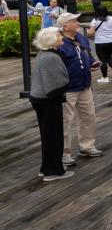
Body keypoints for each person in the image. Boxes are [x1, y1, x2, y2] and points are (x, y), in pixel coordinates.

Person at [57, 12, 101, 159]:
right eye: (74, 21)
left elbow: (87, 52)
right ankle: (64, 153)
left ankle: (87, 146)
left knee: (88, 116)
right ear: (65, 26)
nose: (78, 23)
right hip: (68, 88)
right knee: (65, 121)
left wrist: (92, 62)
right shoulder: (58, 41)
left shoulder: (80, 37)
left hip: (84, 84)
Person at [30, 27, 71, 180]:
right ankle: (53, 171)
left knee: (48, 136)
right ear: (52, 39)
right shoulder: (51, 57)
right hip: (48, 101)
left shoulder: (44, 53)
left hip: (40, 99)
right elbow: (55, 84)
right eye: (59, 35)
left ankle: (46, 167)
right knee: (53, 136)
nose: (62, 38)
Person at [89, 5, 112, 84]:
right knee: (109, 56)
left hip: (100, 42)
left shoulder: (95, 20)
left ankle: (105, 77)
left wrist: (88, 32)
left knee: (103, 60)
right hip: (111, 41)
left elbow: (91, 33)